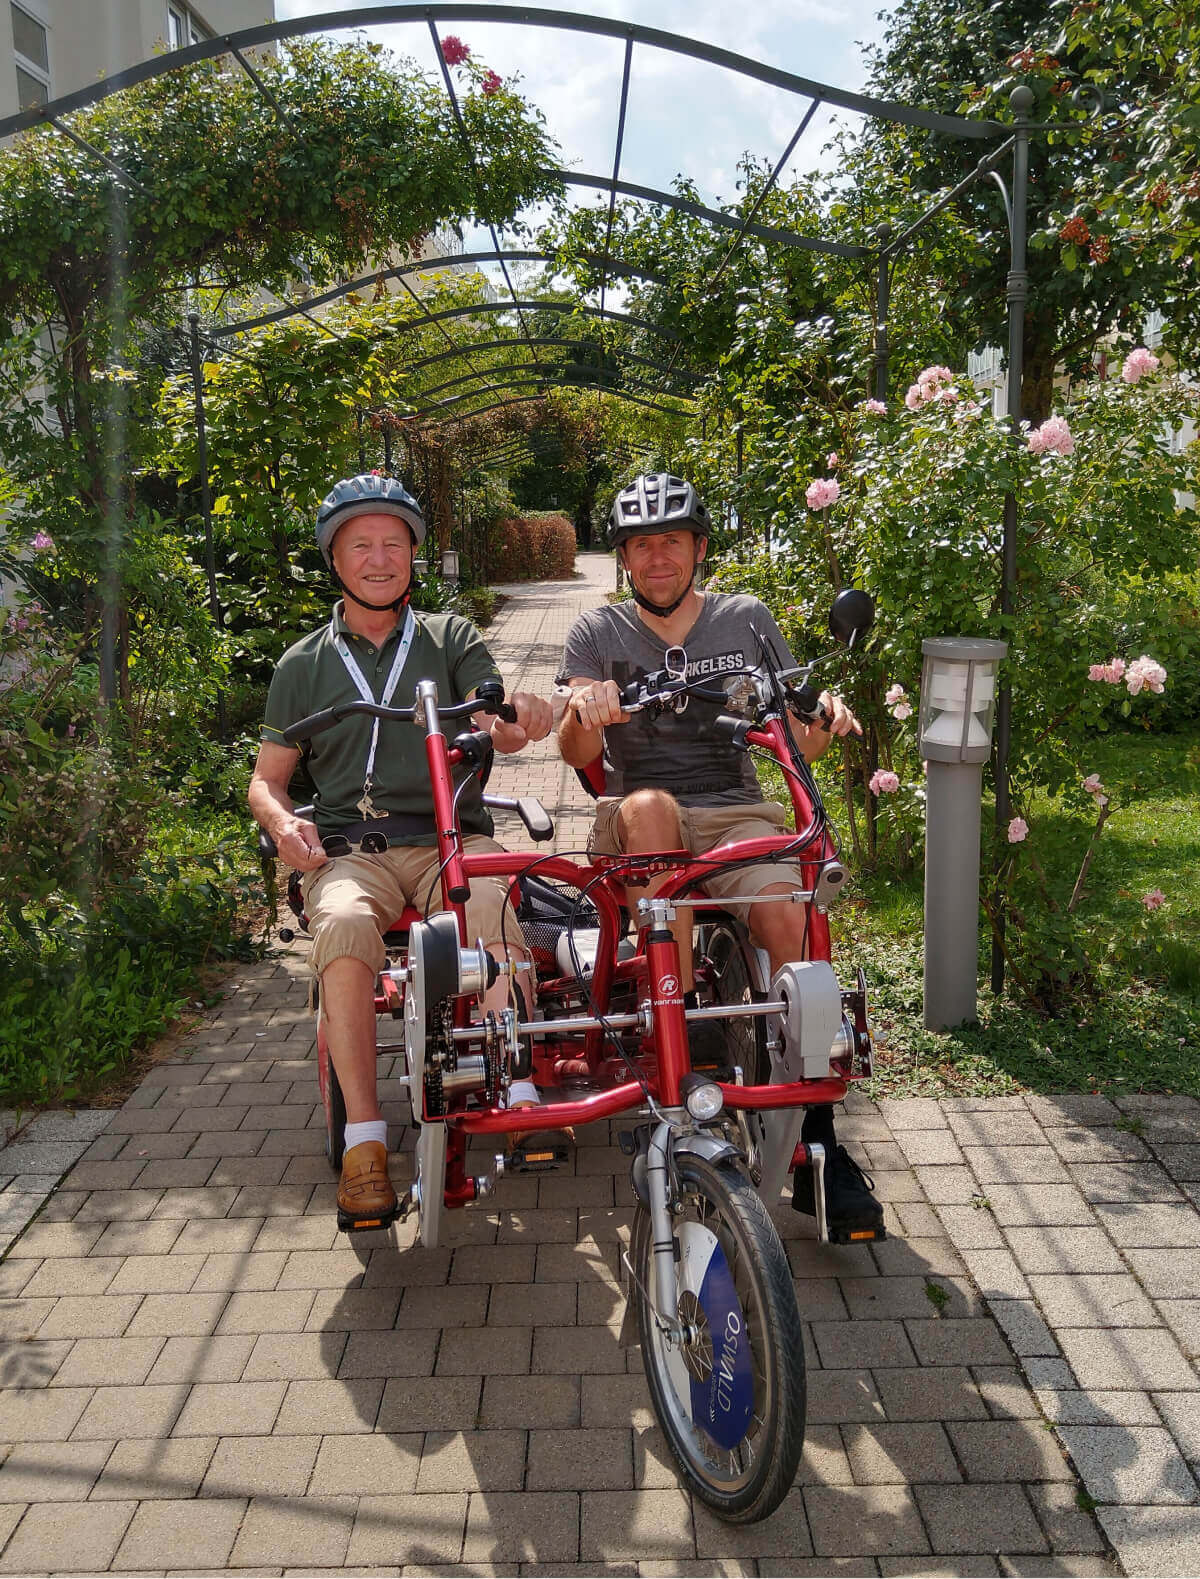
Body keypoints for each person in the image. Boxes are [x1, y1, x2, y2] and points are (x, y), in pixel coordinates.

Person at [556, 472, 883, 1241]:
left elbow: (795, 732)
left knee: (785, 909)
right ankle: (679, 1024)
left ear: (699, 548)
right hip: (640, 819)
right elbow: (574, 748)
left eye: (672, 540)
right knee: (649, 804)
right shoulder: (597, 634)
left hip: (735, 811)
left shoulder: (745, 619)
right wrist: (585, 708)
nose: (658, 556)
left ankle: (818, 1142)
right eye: (642, 544)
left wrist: (822, 714)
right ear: (625, 558)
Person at [249, 474, 552, 1231]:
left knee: (491, 897)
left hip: (451, 836)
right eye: (361, 544)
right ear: (335, 558)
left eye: (393, 542)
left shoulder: (449, 636)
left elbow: (498, 716)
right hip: (355, 850)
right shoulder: (303, 663)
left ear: (413, 553)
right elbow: (267, 780)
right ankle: (363, 1138)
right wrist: (284, 825)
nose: (379, 558)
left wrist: (522, 720)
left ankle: (518, 1082)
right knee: (345, 925)